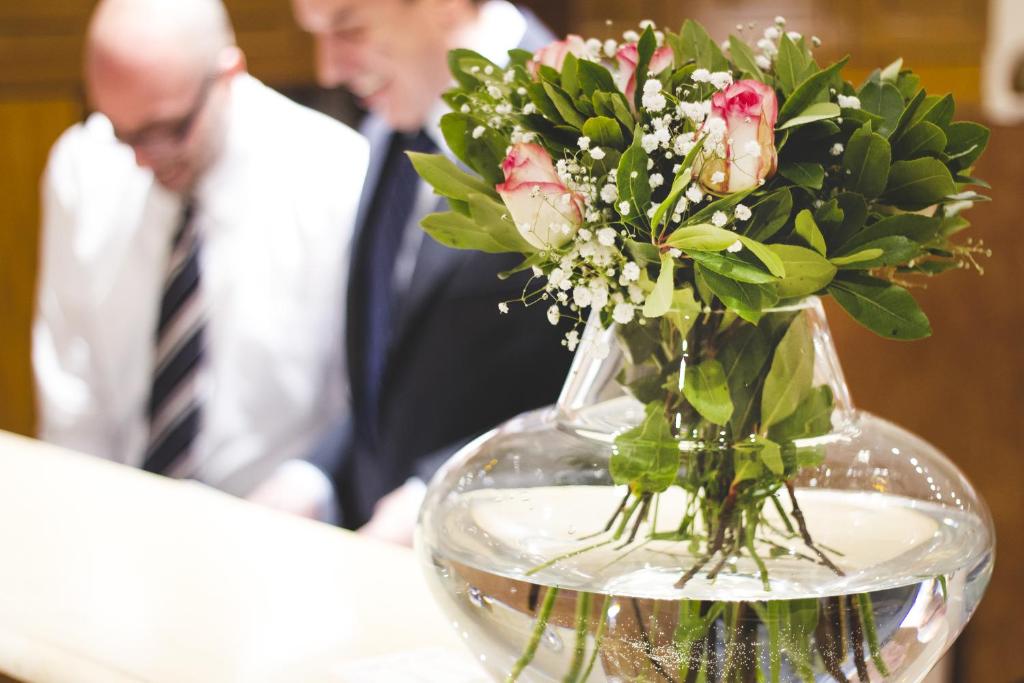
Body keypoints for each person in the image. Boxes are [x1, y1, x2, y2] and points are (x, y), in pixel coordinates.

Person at [33, 0, 368, 508]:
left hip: (278, 525)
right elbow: (71, 400)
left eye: (167, 130)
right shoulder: (85, 166)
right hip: (117, 511)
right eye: (124, 133)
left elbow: (358, 407)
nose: (143, 159)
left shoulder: (337, 176)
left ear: (228, 75)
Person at [287, 0, 572, 543]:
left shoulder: (575, 125)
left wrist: (436, 494)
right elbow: (395, 366)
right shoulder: (396, 117)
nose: (328, 69)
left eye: (347, 25)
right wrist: (315, 476)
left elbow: (607, 391)